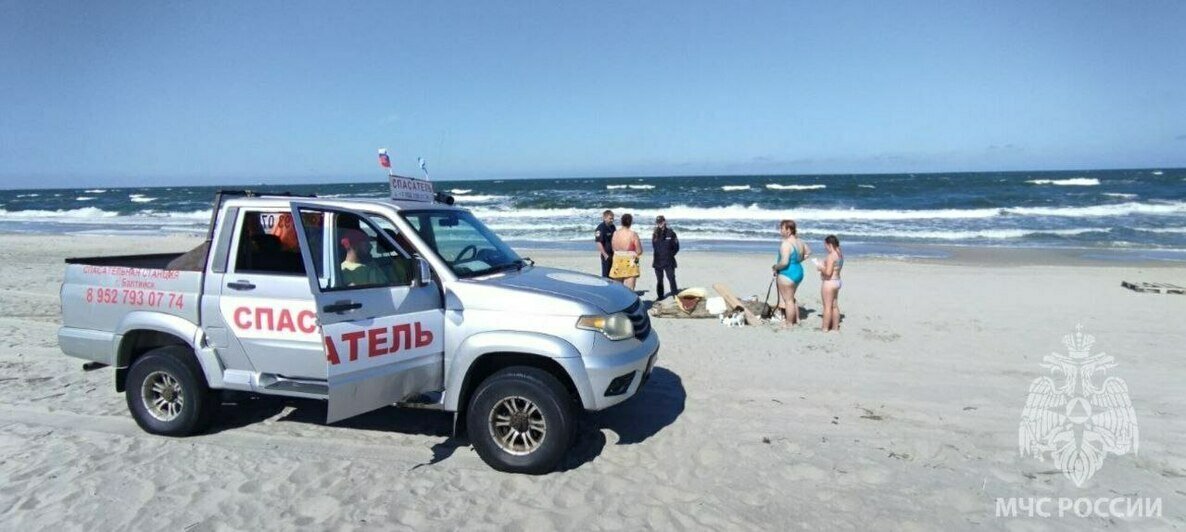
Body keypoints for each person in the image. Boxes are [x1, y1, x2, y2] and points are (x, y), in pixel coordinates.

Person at [771, 219, 810, 326]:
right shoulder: (800, 241)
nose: (780, 231)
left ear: (788, 230)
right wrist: (798, 260)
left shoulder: (786, 244)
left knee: (788, 301)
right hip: (798, 272)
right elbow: (808, 252)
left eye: (782, 228)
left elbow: (784, 262)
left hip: (787, 274)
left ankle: (789, 323)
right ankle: (796, 319)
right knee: (792, 297)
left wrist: (775, 267)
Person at [816, 235, 844, 332]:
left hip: (830, 282)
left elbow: (828, 273)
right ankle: (835, 327)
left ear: (829, 244)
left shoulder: (831, 256)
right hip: (837, 281)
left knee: (827, 307)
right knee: (834, 305)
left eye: (825, 245)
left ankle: (825, 328)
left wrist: (820, 267)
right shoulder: (839, 253)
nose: (825, 248)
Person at [609, 213, 643, 289]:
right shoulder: (633, 234)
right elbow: (639, 251)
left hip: (617, 259)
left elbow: (613, 248)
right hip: (630, 260)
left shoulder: (615, 233)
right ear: (630, 222)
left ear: (621, 222)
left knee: (618, 288)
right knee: (630, 288)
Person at [651, 215, 680, 299]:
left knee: (671, 278)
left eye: (661, 221)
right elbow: (654, 246)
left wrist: (670, 255)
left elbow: (676, 247)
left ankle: (675, 295)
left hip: (669, 261)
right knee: (659, 280)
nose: (660, 223)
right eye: (658, 222)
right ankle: (660, 297)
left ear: (664, 221)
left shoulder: (671, 233)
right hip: (658, 261)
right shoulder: (655, 234)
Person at [594, 210, 616, 277]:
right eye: (610, 218)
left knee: (613, 274)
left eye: (612, 218)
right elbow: (598, 242)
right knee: (606, 275)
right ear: (604, 218)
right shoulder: (600, 228)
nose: (612, 220)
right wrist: (605, 254)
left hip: (613, 253)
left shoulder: (613, 227)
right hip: (606, 254)